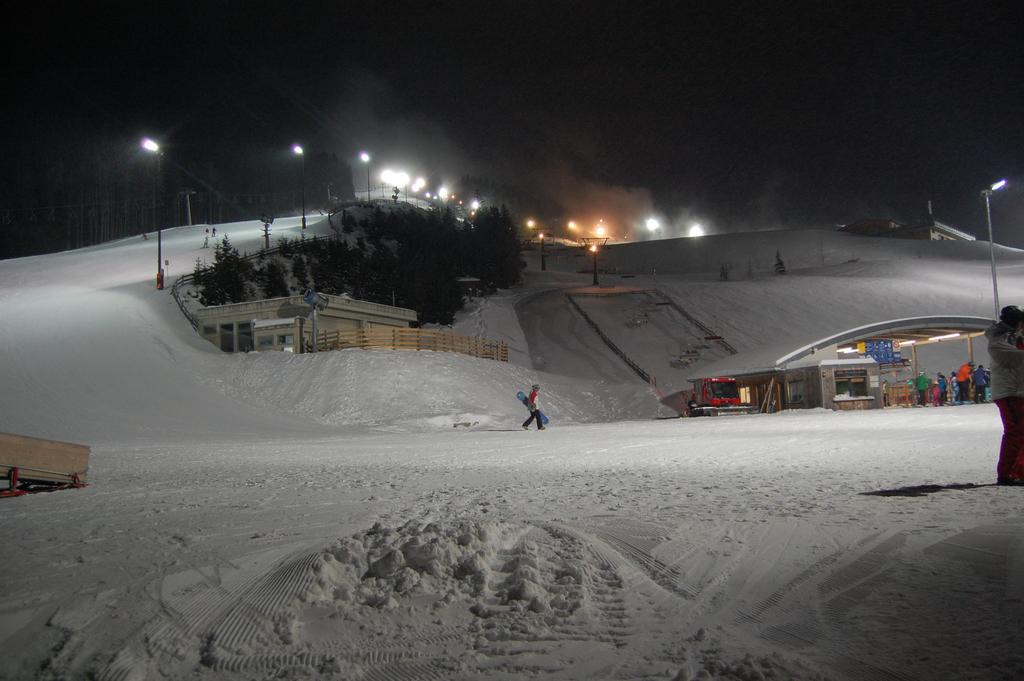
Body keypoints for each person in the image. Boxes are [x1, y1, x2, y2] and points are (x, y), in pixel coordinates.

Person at [985, 306, 1024, 485]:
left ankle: (1016, 471)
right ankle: (1007, 473)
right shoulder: (999, 341)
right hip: (1010, 392)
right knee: (1015, 431)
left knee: (1018, 432)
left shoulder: (1007, 338)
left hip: (1015, 391)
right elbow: (1017, 358)